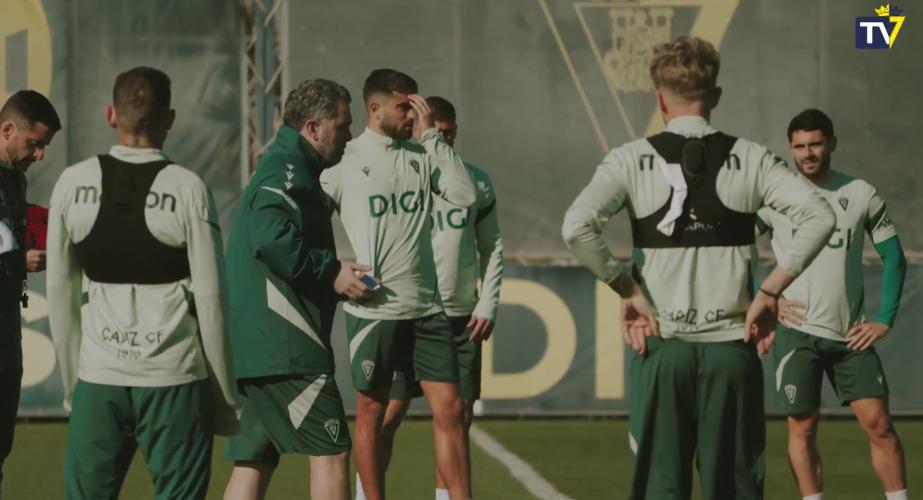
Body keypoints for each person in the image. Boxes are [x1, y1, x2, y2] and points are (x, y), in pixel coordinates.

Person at [562, 36, 836, 499]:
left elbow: (577, 228)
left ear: (659, 97)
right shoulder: (751, 157)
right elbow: (821, 216)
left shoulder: (629, 158)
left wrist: (627, 289)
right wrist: (769, 292)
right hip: (732, 349)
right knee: (732, 488)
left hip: (662, 347)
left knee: (659, 489)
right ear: (715, 96)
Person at [46, 66, 240, 500]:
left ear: (111, 115)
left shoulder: (71, 183)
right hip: (173, 377)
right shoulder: (189, 188)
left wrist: (73, 383)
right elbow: (211, 300)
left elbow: (59, 293)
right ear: (169, 118)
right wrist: (225, 397)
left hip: (99, 377)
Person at [321, 69, 477, 500]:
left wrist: (431, 141)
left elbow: (465, 196)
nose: (413, 114)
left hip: (427, 308)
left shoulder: (422, 152)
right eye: (404, 106)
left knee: (450, 409)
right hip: (375, 312)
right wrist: (334, 267)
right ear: (376, 108)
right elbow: (305, 224)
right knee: (371, 416)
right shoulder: (345, 162)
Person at [222, 78, 374, 500]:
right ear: (312, 127)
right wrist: (330, 272)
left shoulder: (287, 165)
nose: (347, 136)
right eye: (341, 126)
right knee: (331, 452)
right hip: (286, 346)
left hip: (259, 345)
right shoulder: (286, 168)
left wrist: (332, 267)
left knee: (253, 461)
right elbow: (272, 240)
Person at [757, 109, 908, 500]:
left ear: (832, 144)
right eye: (800, 146)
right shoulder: (775, 197)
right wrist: (763, 295)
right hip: (797, 335)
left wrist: (884, 319)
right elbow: (734, 248)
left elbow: (894, 256)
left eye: (816, 144)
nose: (808, 153)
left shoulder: (860, 193)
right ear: (790, 148)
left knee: (879, 424)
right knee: (802, 429)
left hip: (850, 334)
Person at [358, 96, 503, 500]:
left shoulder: (475, 180)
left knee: (457, 417)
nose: (442, 139)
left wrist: (488, 302)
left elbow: (492, 248)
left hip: (460, 316)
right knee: (388, 414)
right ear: (418, 129)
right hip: (408, 310)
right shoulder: (401, 175)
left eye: (449, 133)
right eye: (434, 132)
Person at [0, 90, 60, 493]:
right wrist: (18, 262)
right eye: (33, 143)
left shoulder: (13, 180)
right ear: (7, 129)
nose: (39, 155)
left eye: (44, 146)